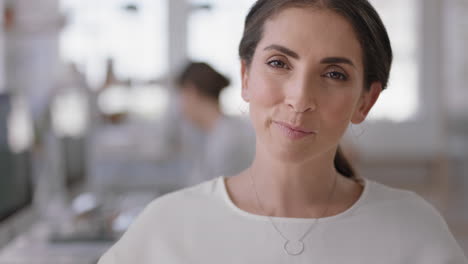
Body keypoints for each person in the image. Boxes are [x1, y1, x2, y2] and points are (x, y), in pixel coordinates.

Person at [98, 0, 468, 263]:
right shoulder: (165, 228)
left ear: (365, 102)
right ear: (245, 77)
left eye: (334, 74)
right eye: (278, 63)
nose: (300, 98)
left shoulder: (416, 234)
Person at [175, 62, 256, 185]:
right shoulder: (218, 133)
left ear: (191, 92)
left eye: (180, 95)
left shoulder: (228, 141)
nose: (179, 106)